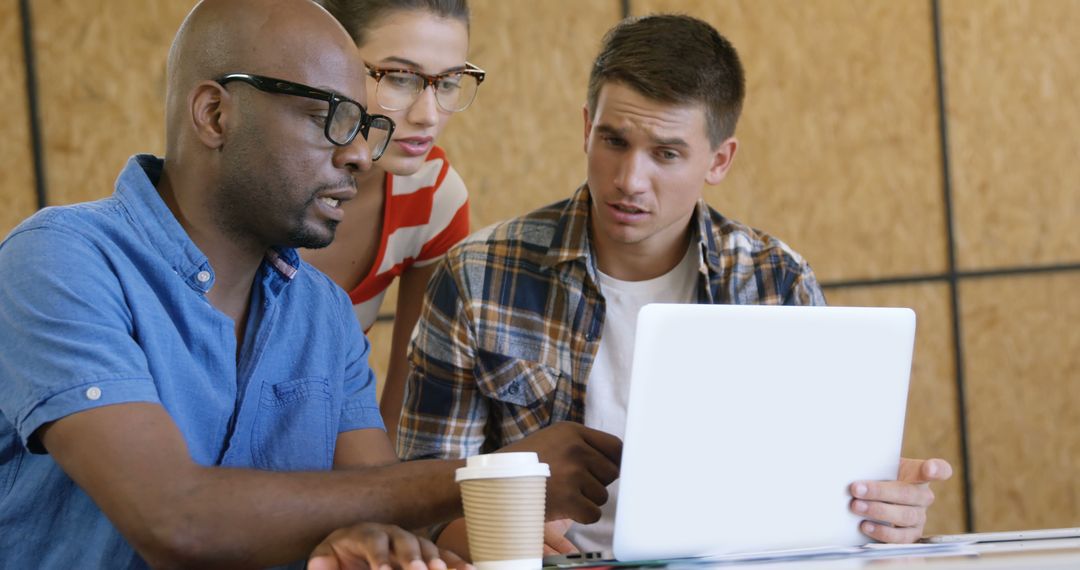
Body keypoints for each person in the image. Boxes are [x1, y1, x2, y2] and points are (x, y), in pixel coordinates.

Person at [0, 1, 619, 567]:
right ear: (215, 114)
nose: (356, 154)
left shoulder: (322, 310)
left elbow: (378, 504)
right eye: (329, 118)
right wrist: (488, 477)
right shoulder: (60, 258)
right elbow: (175, 517)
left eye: (361, 128)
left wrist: (379, 544)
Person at [396, 14, 955, 559]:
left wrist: (875, 510)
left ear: (719, 160)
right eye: (613, 141)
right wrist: (490, 533)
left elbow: (817, 504)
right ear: (586, 127)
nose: (629, 180)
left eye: (666, 153)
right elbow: (419, 497)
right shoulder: (478, 275)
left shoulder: (774, 280)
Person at [304, 0, 477, 441]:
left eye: (450, 82)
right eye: (399, 78)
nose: (429, 115)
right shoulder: (252, 186)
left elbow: (408, 406)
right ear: (325, 57)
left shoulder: (432, 196)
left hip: (329, 459)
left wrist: (377, 504)